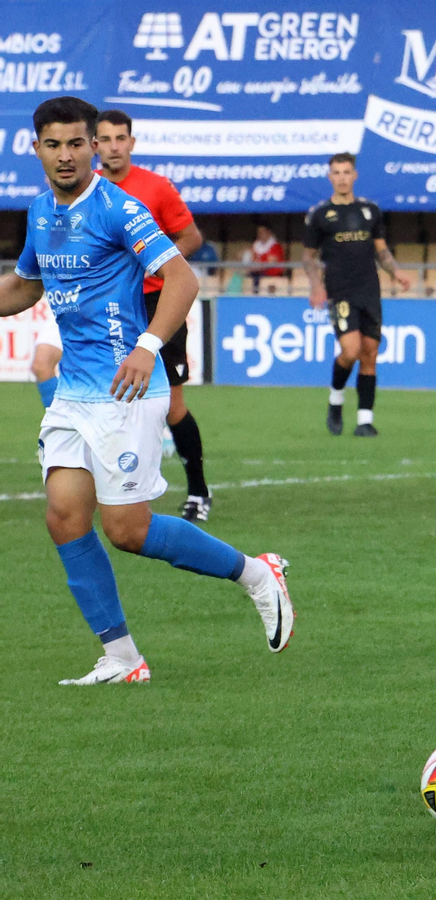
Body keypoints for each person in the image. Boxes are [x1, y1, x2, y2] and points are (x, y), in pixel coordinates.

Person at [0, 96, 294, 686]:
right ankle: (122, 658)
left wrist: (148, 346)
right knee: (64, 516)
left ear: (93, 148)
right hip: (75, 395)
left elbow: (182, 277)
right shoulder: (39, 212)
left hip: (128, 388)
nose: (65, 155)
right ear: (35, 149)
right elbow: (25, 287)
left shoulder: (118, 208)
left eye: (76, 144)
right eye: (52, 144)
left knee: (127, 530)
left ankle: (257, 575)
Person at [94, 109, 213, 522]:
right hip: (107, 306)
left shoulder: (155, 187)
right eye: (105, 139)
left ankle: (198, 490)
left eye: (120, 138)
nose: (113, 146)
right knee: (109, 396)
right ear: (95, 145)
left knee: (172, 404)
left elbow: (191, 236)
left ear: (131, 143)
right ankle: (118, 487)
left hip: (157, 303)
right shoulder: (85, 191)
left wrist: (156, 263)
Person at [303, 153, 411, 437]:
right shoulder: (320, 215)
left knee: (370, 354)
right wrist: (316, 285)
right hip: (340, 291)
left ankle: (364, 421)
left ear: (355, 176)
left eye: (346, 172)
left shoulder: (369, 211)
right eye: (336, 172)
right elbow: (307, 257)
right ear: (330, 177)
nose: (341, 177)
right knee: (350, 351)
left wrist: (395, 272)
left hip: (369, 290)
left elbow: (382, 250)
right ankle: (336, 399)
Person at [248, 224, 286, 292]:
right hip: (257, 271)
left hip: (271, 273)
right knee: (241, 275)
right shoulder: (256, 245)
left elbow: (269, 263)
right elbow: (251, 257)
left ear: (268, 233)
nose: (260, 234)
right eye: (258, 232)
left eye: (262, 232)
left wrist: (256, 267)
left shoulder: (275, 246)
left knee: (256, 277)